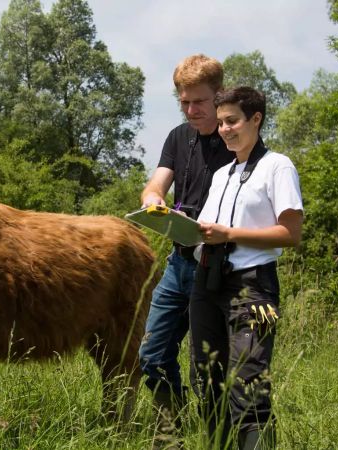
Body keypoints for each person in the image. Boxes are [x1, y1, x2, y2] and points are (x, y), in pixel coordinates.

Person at [189, 86, 303, 449]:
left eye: (232, 121)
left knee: (247, 385)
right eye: (221, 122)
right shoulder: (222, 174)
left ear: (256, 119)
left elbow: (290, 233)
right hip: (208, 282)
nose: (224, 129)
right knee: (206, 379)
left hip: (252, 285)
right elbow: (208, 231)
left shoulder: (277, 166)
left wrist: (229, 234)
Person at [138, 54, 235, 440]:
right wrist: (153, 201)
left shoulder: (236, 138)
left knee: (206, 367)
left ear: (218, 96)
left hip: (217, 265)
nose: (191, 110)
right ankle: (172, 430)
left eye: (198, 102)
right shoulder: (179, 137)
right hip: (178, 264)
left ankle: (215, 437)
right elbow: (155, 183)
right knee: (151, 355)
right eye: (183, 102)